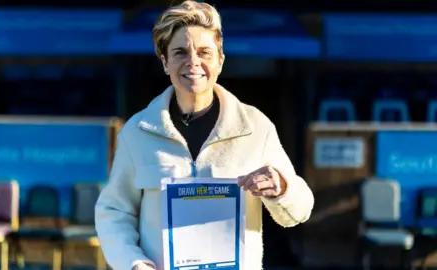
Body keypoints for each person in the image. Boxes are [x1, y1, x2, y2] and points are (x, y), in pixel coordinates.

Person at [95, 1, 314, 269]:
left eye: (204, 52)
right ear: (165, 62)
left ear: (220, 60)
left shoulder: (256, 127)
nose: (193, 62)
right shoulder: (138, 132)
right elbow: (114, 212)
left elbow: (300, 211)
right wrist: (133, 262)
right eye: (180, 53)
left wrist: (281, 187)